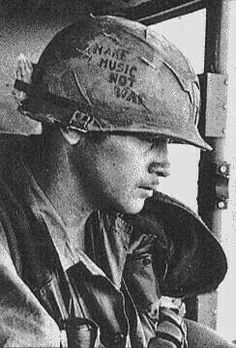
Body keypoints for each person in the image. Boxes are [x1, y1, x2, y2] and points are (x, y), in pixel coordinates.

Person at [0, 14, 234, 348]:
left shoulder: (123, 230)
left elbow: (153, 325)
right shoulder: (8, 235)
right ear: (73, 126)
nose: (165, 165)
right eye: (146, 138)